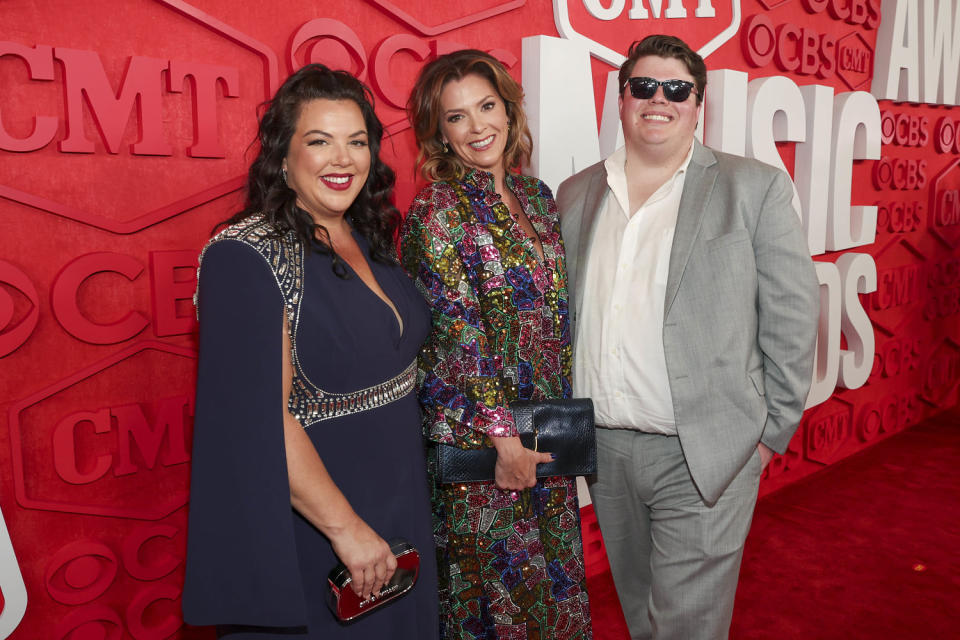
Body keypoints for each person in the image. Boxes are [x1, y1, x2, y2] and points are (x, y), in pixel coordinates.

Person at [556, 35, 819, 640]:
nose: (659, 99)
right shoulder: (576, 193)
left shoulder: (752, 188)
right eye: (644, 86)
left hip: (705, 451)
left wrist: (765, 435)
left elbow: (792, 314)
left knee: (686, 626)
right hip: (606, 450)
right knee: (640, 610)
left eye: (677, 89)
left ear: (699, 104)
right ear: (621, 100)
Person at [181, 64, 439, 640]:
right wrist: (344, 528)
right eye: (319, 141)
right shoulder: (245, 255)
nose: (341, 159)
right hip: (319, 523)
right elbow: (260, 420)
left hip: (400, 501)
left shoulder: (366, 235)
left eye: (356, 141)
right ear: (281, 156)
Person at [400, 50, 593, 639]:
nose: (478, 126)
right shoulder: (436, 212)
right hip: (488, 448)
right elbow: (454, 337)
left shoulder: (537, 199)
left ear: (509, 112)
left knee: (554, 596)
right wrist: (503, 440)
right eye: (456, 117)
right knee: (500, 606)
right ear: (438, 132)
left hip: (547, 433)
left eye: (487, 106)